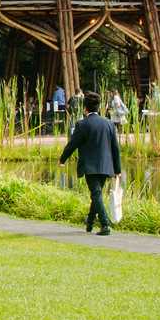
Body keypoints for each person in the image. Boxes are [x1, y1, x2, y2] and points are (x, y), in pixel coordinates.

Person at [58, 89, 122, 235]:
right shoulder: (109, 124)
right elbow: (115, 149)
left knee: (96, 194)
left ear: (85, 108)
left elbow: (72, 144)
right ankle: (90, 223)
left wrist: (63, 159)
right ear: (98, 107)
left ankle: (105, 224)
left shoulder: (82, 124)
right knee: (96, 194)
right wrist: (117, 169)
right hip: (107, 166)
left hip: (90, 166)